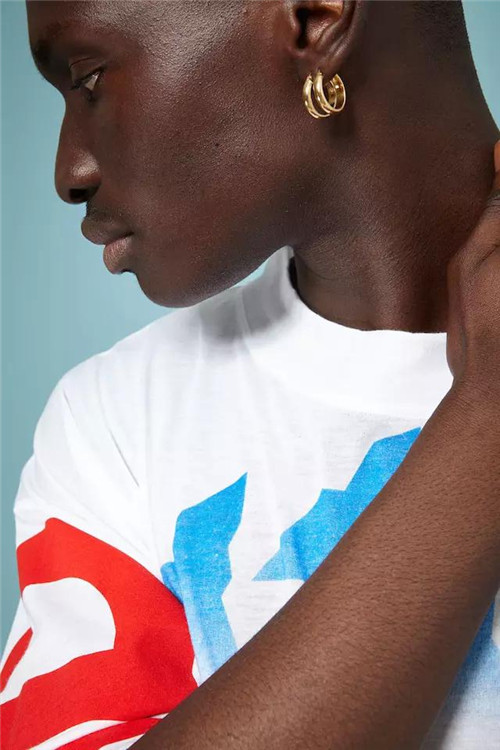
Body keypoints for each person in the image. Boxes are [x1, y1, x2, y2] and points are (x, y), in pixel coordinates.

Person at [0, 0, 499, 747]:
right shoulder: (117, 425)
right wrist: (486, 424)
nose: (70, 172)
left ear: (315, 17)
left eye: (90, 79)